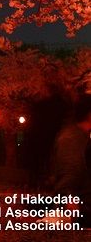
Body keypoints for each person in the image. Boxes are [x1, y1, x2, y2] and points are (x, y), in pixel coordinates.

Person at [50, 95, 91, 227]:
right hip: (82, 207)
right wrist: (69, 200)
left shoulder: (81, 137)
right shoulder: (72, 139)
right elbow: (70, 173)